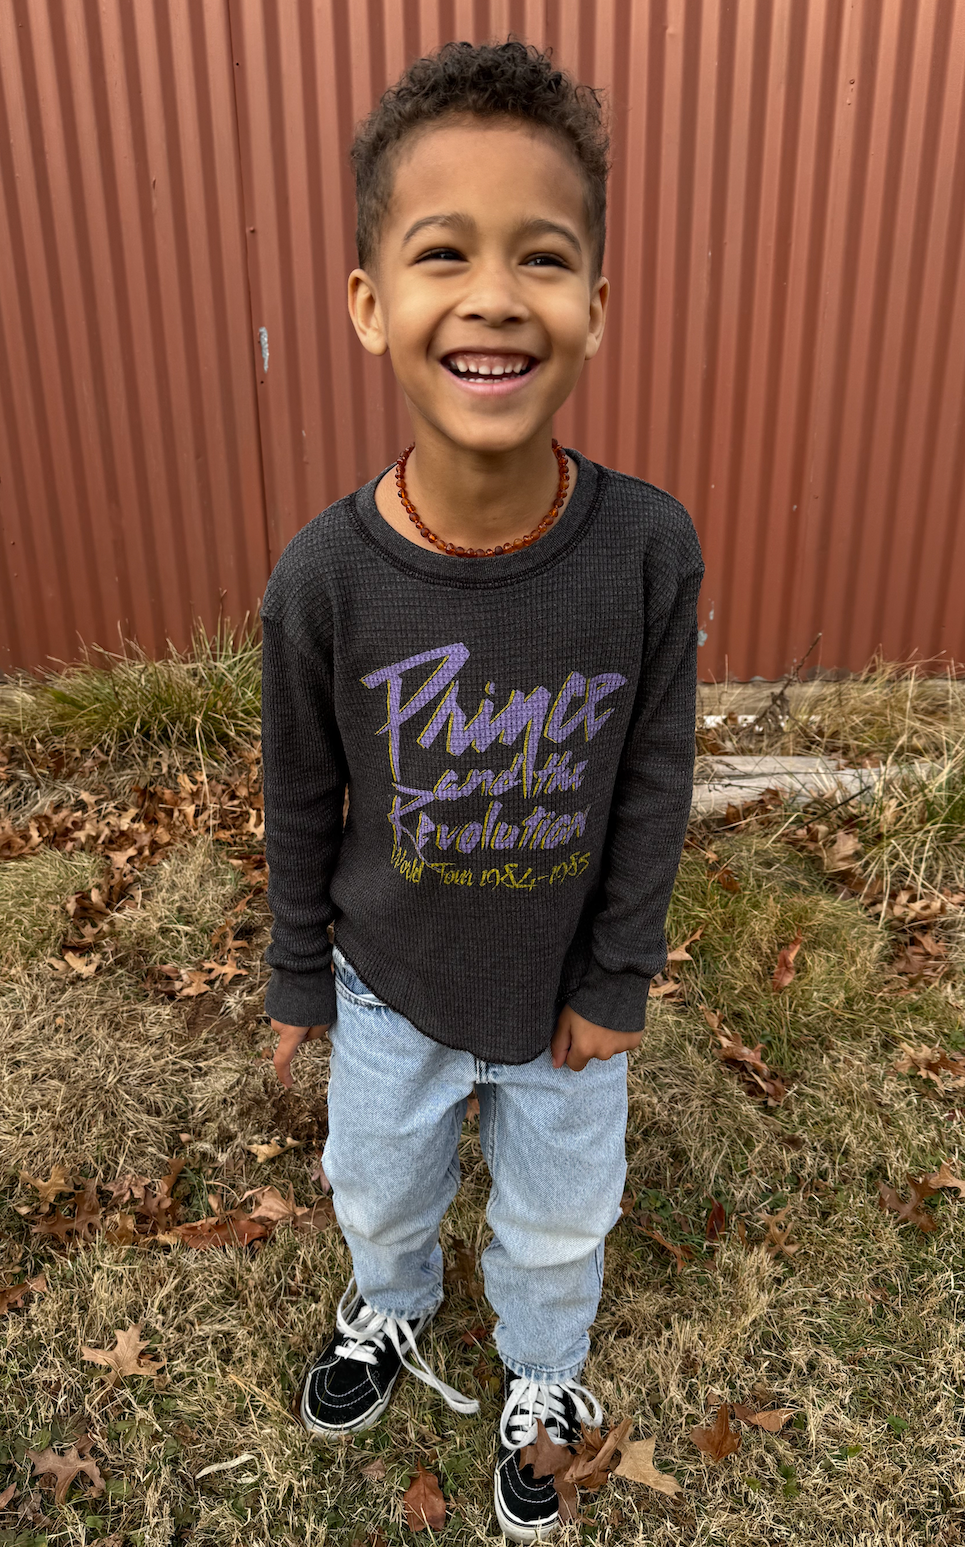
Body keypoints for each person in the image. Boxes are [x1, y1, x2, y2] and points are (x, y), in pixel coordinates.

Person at [260, 37, 703, 1542]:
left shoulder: (647, 551)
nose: (497, 293)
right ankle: (384, 1306)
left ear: (596, 304)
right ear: (372, 303)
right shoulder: (322, 579)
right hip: (390, 983)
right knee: (378, 1185)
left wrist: (619, 976)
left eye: (545, 255)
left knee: (558, 1216)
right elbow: (300, 795)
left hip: (565, 1005)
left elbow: (652, 777)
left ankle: (542, 1373)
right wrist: (298, 979)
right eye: (443, 251)